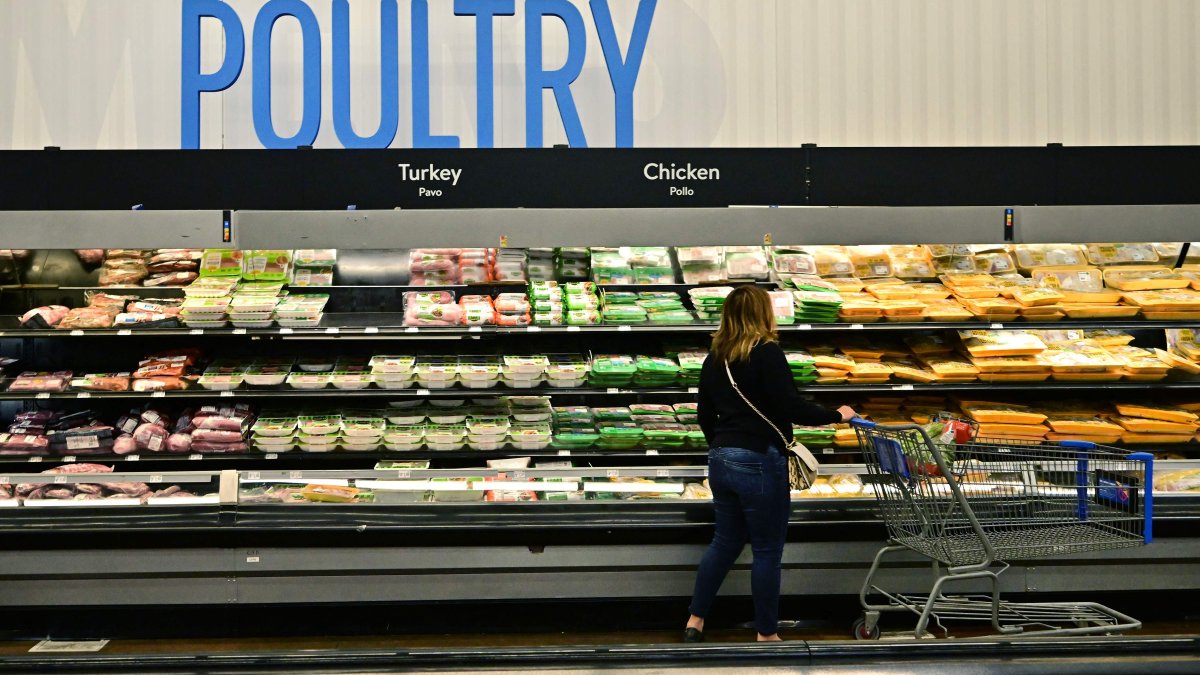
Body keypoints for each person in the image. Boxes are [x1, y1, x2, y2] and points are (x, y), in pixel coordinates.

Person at [685, 285, 857, 643]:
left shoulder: (715, 356)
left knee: (723, 542)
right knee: (766, 550)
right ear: (763, 313)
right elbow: (791, 407)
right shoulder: (767, 352)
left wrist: (722, 445)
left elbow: (704, 414)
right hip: (759, 461)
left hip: (721, 458)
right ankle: (766, 633)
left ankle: (695, 620)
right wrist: (836, 415)